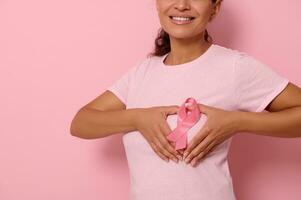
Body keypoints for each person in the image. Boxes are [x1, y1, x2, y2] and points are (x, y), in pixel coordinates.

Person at [70, 0, 301, 199]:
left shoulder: (233, 67)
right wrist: (138, 118)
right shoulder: (142, 73)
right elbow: (81, 123)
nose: (181, 4)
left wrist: (237, 121)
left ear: (215, 7)